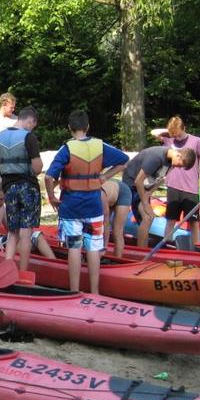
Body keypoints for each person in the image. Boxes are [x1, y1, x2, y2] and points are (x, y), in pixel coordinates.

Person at [44, 111, 129, 294]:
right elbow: (124, 160)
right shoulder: (99, 145)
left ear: (70, 128)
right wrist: (105, 176)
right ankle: (95, 292)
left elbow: (49, 177)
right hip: (94, 206)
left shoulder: (67, 149)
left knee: (74, 248)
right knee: (93, 247)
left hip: (71, 207)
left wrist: (51, 196)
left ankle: (74, 291)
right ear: (88, 127)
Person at [0, 106, 45, 273]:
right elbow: (37, 168)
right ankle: (22, 273)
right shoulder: (28, 137)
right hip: (28, 187)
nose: (32, 128)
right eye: (33, 125)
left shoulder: (0, 136)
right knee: (26, 232)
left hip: (9, 188)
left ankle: (7, 269)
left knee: (12, 231)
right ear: (30, 121)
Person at [150, 116, 200, 248]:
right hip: (173, 186)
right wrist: (170, 130)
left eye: (178, 134)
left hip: (191, 188)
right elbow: (153, 133)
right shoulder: (169, 139)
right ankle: (166, 245)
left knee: (194, 222)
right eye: (174, 135)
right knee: (170, 220)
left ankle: (197, 246)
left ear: (184, 128)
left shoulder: (196, 141)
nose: (176, 138)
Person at [122, 144, 198, 248]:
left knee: (149, 218)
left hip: (144, 186)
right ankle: (141, 252)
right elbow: (138, 181)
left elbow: (161, 180)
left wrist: (148, 194)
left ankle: (143, 249)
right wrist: (145, 203)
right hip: (132, 183)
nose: (178, 168)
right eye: (180, 165)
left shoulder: (171, 162)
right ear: (179, 156)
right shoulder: (155, 158)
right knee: (147, 217)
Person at [0, 179, 56, 257]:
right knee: (25, 243)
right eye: (0, 199)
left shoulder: (2, 208)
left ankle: (54, 262)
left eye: (4, 199)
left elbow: (10, 228)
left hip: (2, 240)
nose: (3, 201)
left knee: (37, 235)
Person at [101, 178, 133, 259]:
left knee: (117, 230)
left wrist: (104, 247)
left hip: (122, 192)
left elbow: (106, 225)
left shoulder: (101, 201)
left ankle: (118, 259)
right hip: (109, 192)